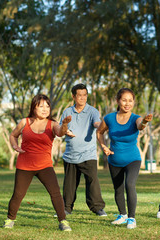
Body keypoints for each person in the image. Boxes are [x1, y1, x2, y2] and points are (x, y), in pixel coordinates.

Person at [2, 94, 72, 231]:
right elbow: (12, 135)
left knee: (55, 193)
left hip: (45, 165)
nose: (45, 109)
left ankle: (63, 221)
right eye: (41, 106)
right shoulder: (25, 122)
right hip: (24, 165)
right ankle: (10, 219)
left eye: (47, 106)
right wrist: (15, 146)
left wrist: (64, 125)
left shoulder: (52, 124)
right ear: (34, 107)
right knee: (18, 194)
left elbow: (60, 133)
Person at [96, 88, 152, 229]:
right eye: (124, 100)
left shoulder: (135, 118)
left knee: (130, 184)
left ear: (133, 102)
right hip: (114, 160)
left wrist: (144, 121)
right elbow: (99, 132)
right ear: (118, 101)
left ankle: (132, 218)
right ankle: (122, 215)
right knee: (118, 188)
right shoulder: (109, 118)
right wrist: (104, 146)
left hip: (133, 159)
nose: (127, 103)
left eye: (130, 100)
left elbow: (140, 125)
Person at [59, 83, 106, 216]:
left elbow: (96, 123)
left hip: (88, 154)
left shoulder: (92, 111)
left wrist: (101, 125)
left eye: (85, 95)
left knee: (92, 181)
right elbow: (61, 131)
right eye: (80, 95)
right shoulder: (67, 112)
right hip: (70, 155)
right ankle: (66, 208)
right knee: (69, 184)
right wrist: (65, 127)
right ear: (74, 96)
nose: (83, 98)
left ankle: (97, 208)